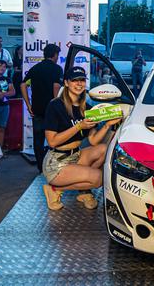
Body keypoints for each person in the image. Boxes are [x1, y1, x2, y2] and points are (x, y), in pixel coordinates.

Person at [42, 66, 121, 211]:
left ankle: (83, 191)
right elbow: (52, 141)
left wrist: (107, 125)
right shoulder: (55, 105)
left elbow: (93, 141)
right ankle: (54, 190)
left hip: (76, 155)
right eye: (74, 80)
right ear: (66, 83)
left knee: (103, 149)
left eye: (82, 80)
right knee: (99, 178)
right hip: (57, 162)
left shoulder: (87, 108)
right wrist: (79, 126)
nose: (79, 84)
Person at [20, 44, 63, 173]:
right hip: (51, 111)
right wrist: (56, 105)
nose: (57, 57)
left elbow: (23, 85)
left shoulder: (35, 68)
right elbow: (56, 87)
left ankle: (41, 168)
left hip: (37, 109)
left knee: (38, 140)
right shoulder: (57, 69)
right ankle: (54, 167)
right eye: (57, 55)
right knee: (55, 139)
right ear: (54, 54)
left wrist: (28, 105)